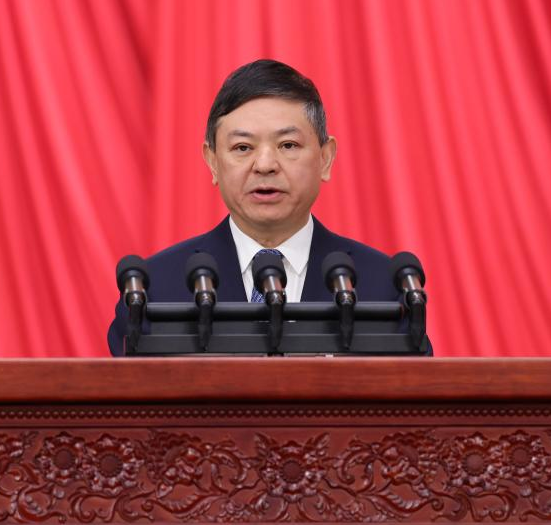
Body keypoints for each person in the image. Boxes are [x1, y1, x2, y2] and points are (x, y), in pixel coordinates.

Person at [107, 59, 404, 355]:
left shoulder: (384, 286)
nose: (265, 165)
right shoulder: (152, 289)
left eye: (288, 145)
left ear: (325, 158)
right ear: (212, 162)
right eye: (243, 148)